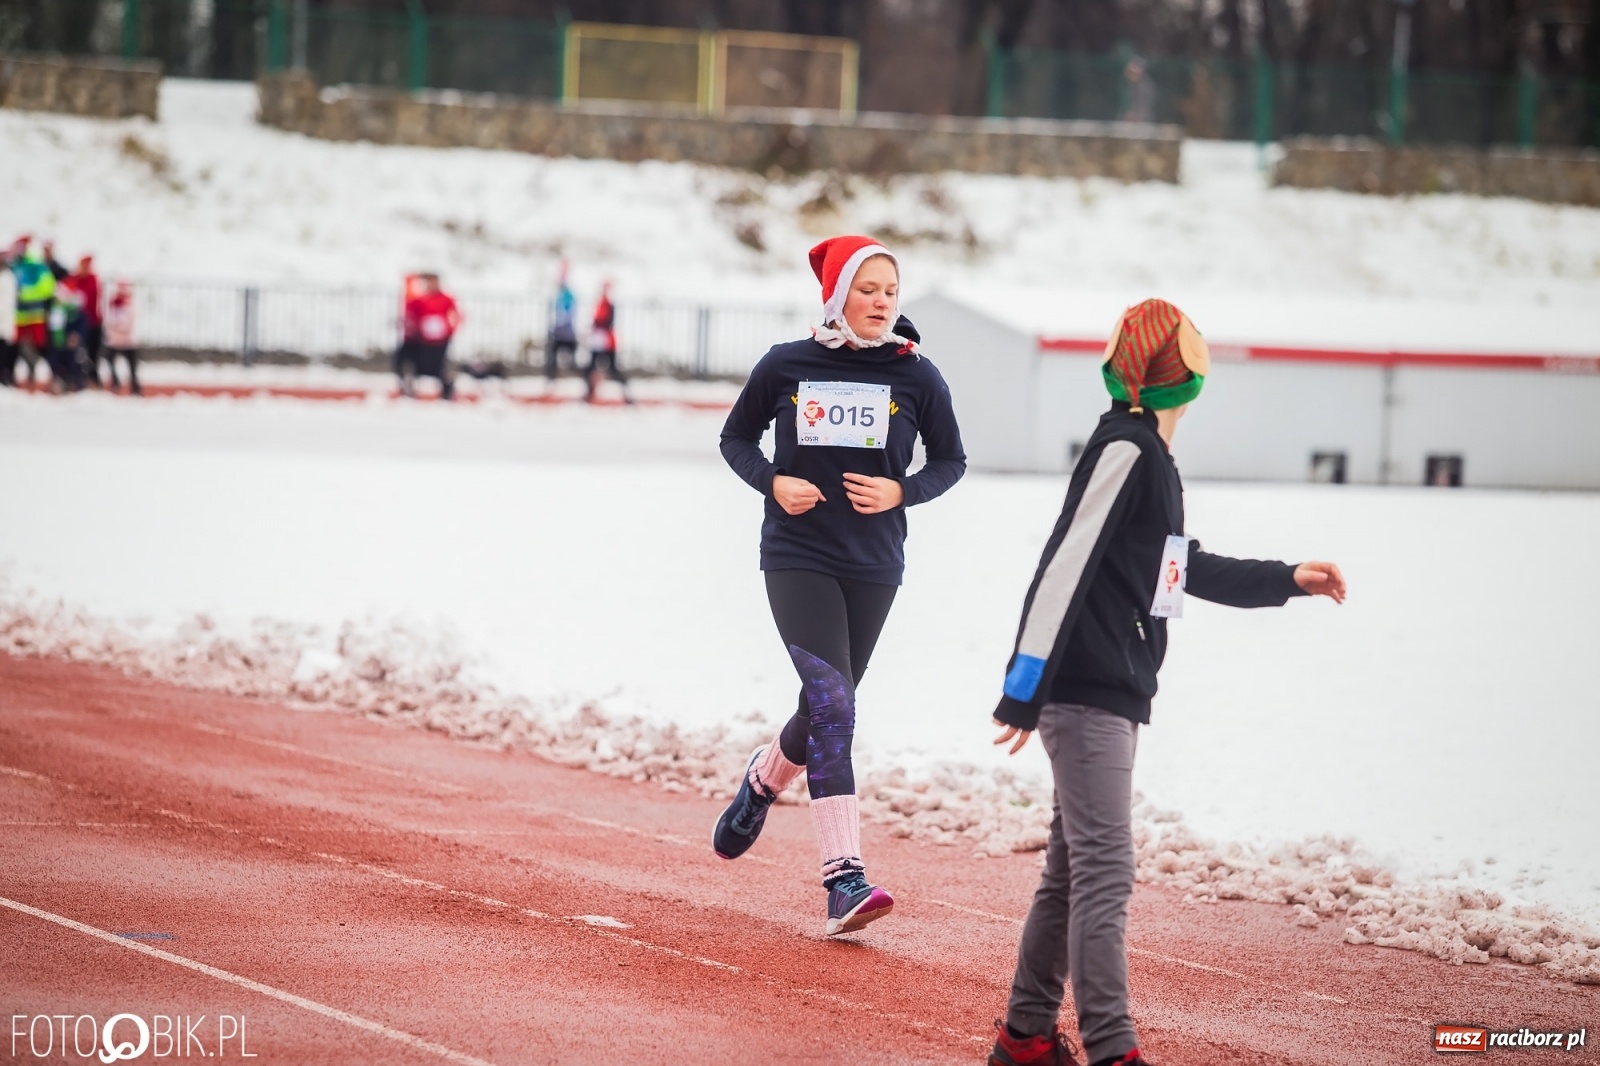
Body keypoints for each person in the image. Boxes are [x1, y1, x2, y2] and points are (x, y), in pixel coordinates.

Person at [983, 299, 1347, 1066]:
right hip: (1086, 691)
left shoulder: (1150, 457)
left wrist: (1289, 579)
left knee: (1071, 870)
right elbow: (1065, 561)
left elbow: (1178, 569)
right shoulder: (1128, 447)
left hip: (1103, 688)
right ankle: (1114, 1049)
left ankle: (1025, 1038)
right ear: (1184, 376)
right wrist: (1024, 685)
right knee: (1105, 868)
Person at [713, 235, 967, 936]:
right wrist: (774, 481)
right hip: (796, 553)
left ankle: (762, 783)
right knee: (833, 701)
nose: (882, 301)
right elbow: (736, 439)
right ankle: (842, 878)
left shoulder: (918, 376)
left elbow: (952, 460)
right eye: (867, 289)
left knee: (830, 704)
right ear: (837, 295)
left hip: (875, 563)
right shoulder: (787, 363)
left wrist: (901, 492)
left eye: (891, 289)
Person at [397, 273, 460, 400]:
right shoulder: (420, 299)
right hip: (422, 339)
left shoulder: (446, 298)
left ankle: (447, 391)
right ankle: (410, 389)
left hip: (440, 339)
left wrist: (450, 330)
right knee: (416, 363)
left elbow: (456, 315)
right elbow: (410, 310)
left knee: (439, 366)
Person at [5, 238, 55, 389]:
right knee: (18, 347)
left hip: (35, 314)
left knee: (39, 346)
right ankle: (21, 375)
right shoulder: (14, 266)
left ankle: (41, 375)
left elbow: (48, 287)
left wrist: (26, 293)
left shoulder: (37, 266)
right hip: (19, 316)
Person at [582, 280, 632, 404]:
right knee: (590, 368)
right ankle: (589, 394)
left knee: (612, 369)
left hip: (606, 342)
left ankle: (627, 394)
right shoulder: (601, 304)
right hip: (599, 341)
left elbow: (605, 322)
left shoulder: (608, 305)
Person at [71, 256, 104, 386]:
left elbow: (88, 297)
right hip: (81, 323)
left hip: (93, 323)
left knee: (93, 353)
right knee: (81, 352)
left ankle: (93, 378)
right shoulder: (78, 280)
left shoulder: (91, 280)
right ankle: (84, 378)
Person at [104, 281, 141, 395]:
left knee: (132, 366)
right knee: (110, 360)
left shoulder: (131, 305)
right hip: (114, 340)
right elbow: (109, 321)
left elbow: (127, 324)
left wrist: (117, 327)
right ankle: (115, 382)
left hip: (129, 341)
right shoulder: (113, 304)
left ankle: (135, 387)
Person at [545, 261, 579, 385]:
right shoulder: (560, 295)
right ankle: (550, 382)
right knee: (552, 359)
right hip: (561, 332)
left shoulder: (567, 295)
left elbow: (567, 314)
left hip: (565, 333)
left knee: (568, 362)